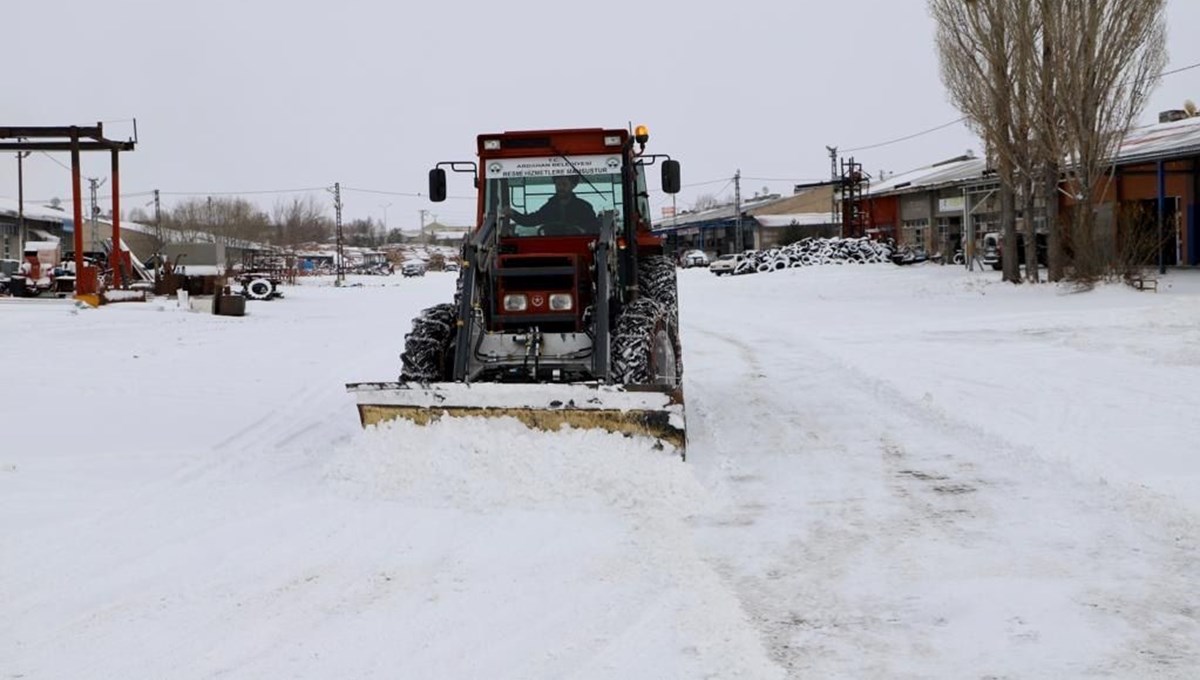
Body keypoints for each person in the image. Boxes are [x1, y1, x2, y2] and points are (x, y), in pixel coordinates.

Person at [504, 174, 599, 234]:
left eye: (564, 184)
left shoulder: (584, 207)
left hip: (579, 246)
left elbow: (594, 228)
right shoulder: (549, 207)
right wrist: (513, 213)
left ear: (573, 186)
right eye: (558, 184)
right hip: (550, 246)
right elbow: (531, 220)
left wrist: (582, 231)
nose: (560, 188)